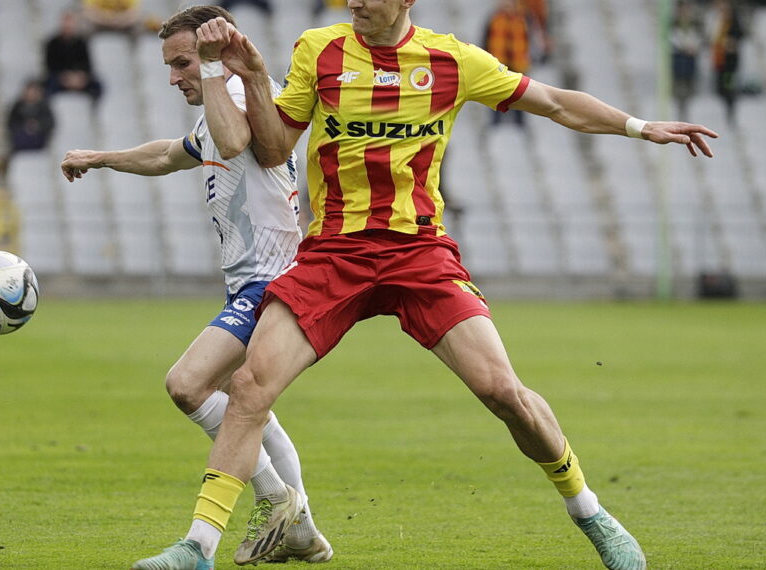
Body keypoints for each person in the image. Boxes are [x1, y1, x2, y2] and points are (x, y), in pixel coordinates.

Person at [132, 1, 718, 569]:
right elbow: (275, 146)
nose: (355, 2)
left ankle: (590, 512)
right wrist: (256, 77)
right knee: (251, 385)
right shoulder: (320, 49)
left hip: (419, 253)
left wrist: (640, 127)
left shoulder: (453, 60)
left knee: (502, 392)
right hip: (335, 251)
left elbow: (556, 104)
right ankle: (199, 547)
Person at [58, 6, 332, 568]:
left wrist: (210, 68)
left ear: (213, 53)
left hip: (273, 282)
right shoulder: (215, 105)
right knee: (245, 404)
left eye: (182, 61)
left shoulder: (248, 93)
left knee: (187, 384)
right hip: (248, 286)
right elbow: (168, 154)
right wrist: (102, 158)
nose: (173, 75)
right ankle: (300, 529)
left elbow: (234, 144)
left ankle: (272, 504)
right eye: (170, 65)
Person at [482, 0, 532, 128]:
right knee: (495, 96)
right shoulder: (493, 18)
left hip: (518, 64)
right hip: (497, 64)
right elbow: (484, 40)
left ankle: (520, 124)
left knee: (520, 96)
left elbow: (531, 39)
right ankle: (496, 124)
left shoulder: (525, 18)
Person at [43, 10, 103, 100]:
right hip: (59, 78)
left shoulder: (81, 42)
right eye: (65, 23)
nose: (68, 26)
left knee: (97, 86)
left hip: (79, 78)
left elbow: (87, 64)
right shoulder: (52, 43)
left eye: (70, 24)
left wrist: (79, 76)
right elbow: (50, 65)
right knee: (47, 86)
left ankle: (91, 110)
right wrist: (65, 77)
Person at [711, 0, 744, 125]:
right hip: (719, 61)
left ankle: (730, 105)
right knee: (720, 85)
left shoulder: (733, 24)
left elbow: (739, 37)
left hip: (729, 63)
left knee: (728, 85)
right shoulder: (716, 22)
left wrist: (731, 43)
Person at [669, 0, 704, 121]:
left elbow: (701, 39)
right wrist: (683, 47)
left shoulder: (696, 24)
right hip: (678, 59)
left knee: (690, 84)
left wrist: (693, 46)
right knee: (678, 85)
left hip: (690, 60)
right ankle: (679, 103)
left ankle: (688, 103)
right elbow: (670, 39)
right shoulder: (673, 23)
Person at [6, 79, 56, 154]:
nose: (31, 94)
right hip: (21, 140)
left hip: (38, 140)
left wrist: (37, 125)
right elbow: (11, 123)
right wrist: (25, 127)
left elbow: (50, 122)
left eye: (34, 91)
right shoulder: (18, 106)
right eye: (30, 91)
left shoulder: (43, 107)